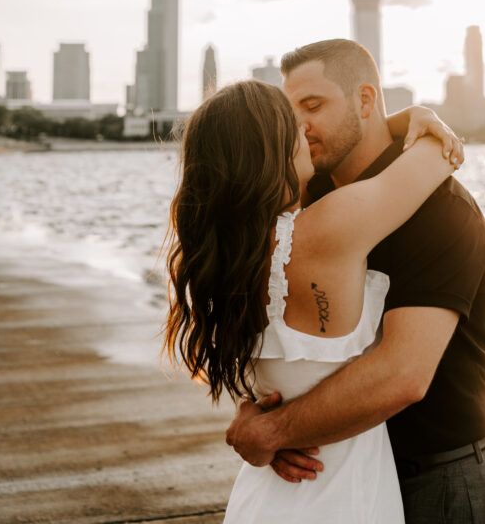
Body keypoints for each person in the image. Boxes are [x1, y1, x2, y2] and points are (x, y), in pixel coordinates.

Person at [226, 39, 485, 524]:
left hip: (442, 479)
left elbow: (402, 375)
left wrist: (277, 430)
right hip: (347, 471)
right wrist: (257, 409)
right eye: (290, 109)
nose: (298, 125)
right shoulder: (311, 193)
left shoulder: (441, 210)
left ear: (365, 101)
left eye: (313, 105)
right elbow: (283, 329)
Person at [163, 76, 461, 523]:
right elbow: (441, 154)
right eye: (290, 124)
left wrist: (265, 429)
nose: (305, 131)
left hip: (268, 495)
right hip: (342, 499)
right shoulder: (328, 228)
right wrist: (418, 116)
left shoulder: (221, 260)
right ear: (268, 150)